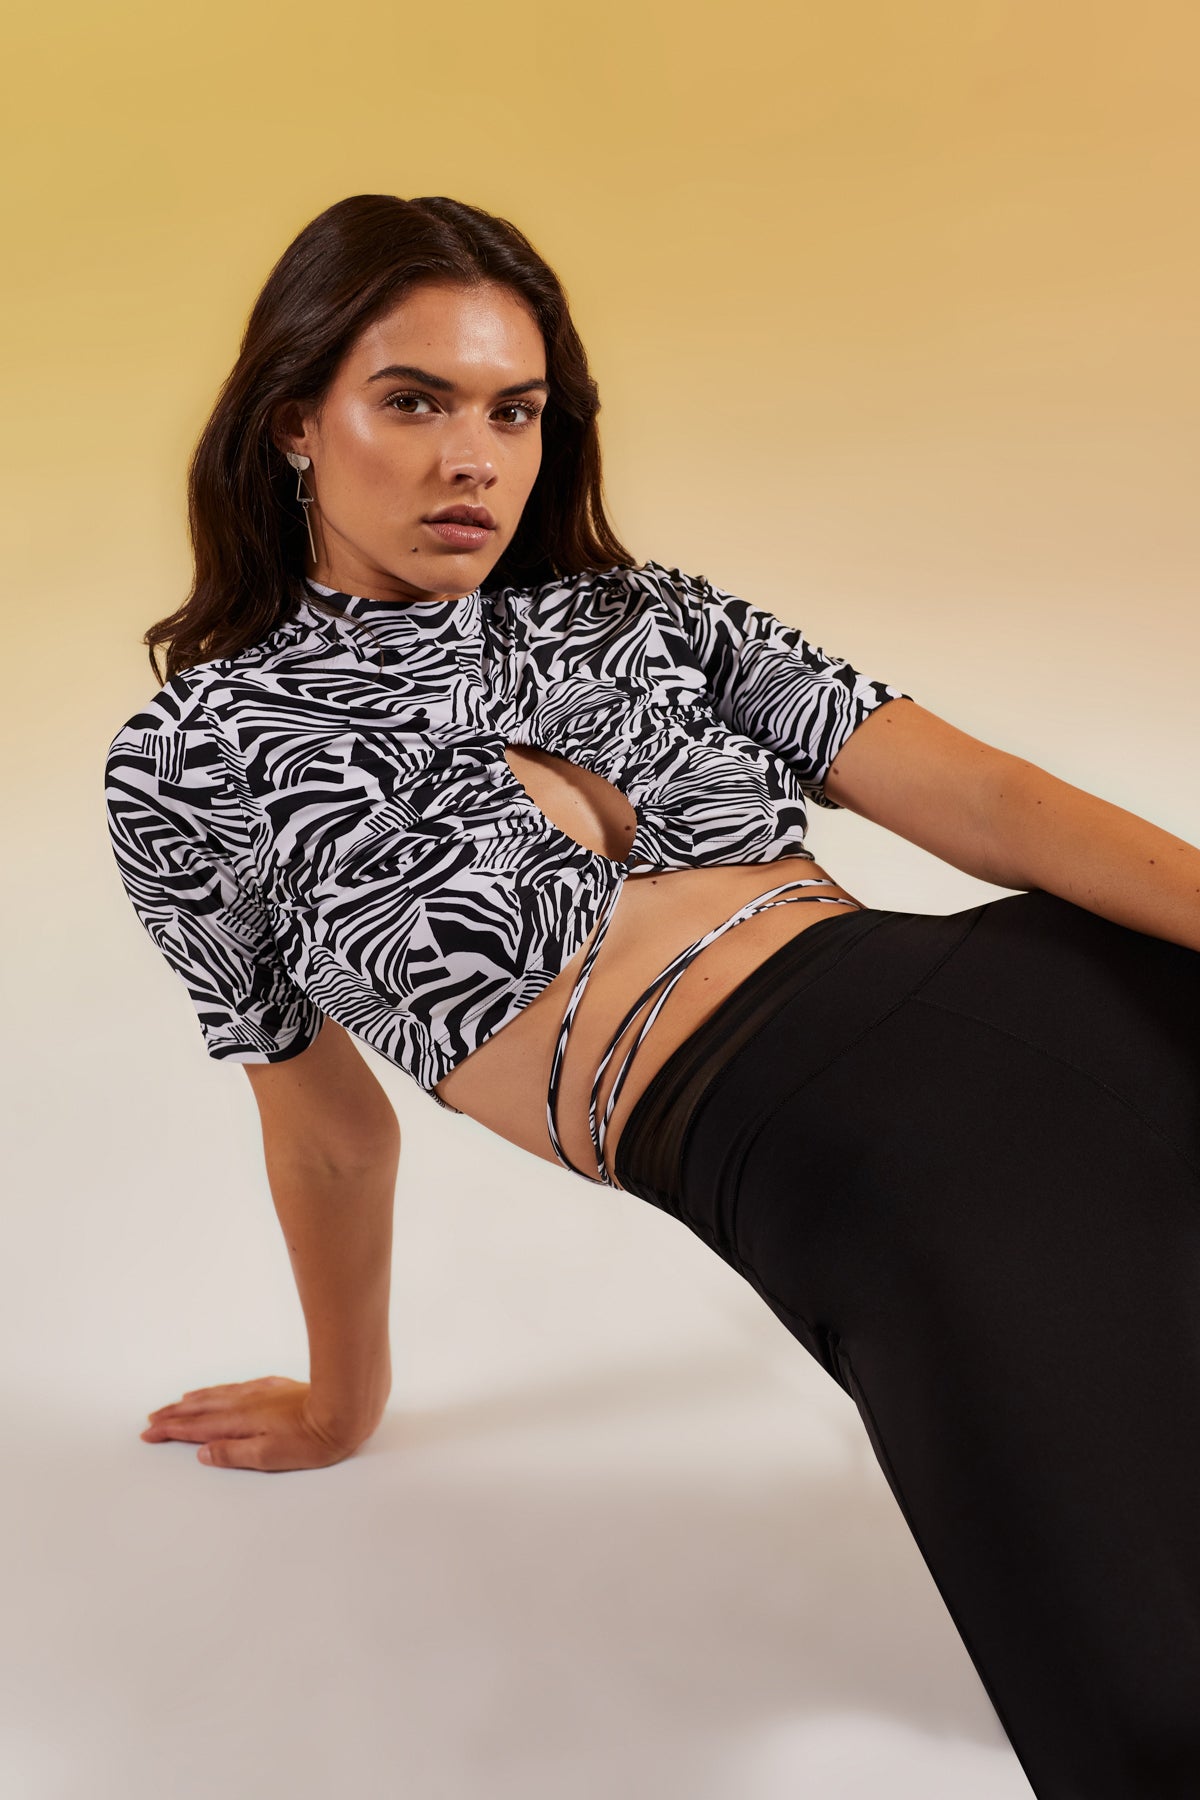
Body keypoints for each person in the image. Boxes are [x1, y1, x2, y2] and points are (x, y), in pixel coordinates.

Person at [104, 194, 1200, 1797]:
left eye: (514, 411)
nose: (472, 458)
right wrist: (345, 1400)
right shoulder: (194, 757)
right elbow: (325, 1123)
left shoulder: (645, 614)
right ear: (292, 423)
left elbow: (989, 804)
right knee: (1154, 1716)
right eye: (412, 401)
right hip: (846, 1164)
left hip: (1026, 1006)